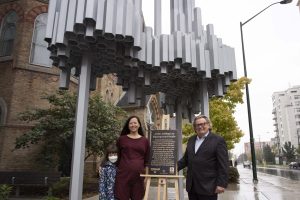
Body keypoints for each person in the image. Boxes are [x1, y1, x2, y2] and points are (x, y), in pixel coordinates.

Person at [177, 115, 229, 200]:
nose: (200, 126)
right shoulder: (191, 140)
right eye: (197, 125)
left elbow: (223, 164)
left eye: (203, 124)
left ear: (208, 125)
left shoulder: (218, 140)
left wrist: (221, 184)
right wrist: (172, 168)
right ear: (195, 127)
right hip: (192, 187)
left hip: (208, 187)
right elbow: (186, 159)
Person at [114, 116, 150, 200]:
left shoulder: (145, 141)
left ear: (139, 125)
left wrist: (147, 176)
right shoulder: (121, 139)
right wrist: (104, 165)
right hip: (123, 176)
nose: (133, 125)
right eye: (130, 123)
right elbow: (115, 155)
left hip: (139, 177)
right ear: (128, 125)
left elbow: (147, 160)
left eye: (135, 123)